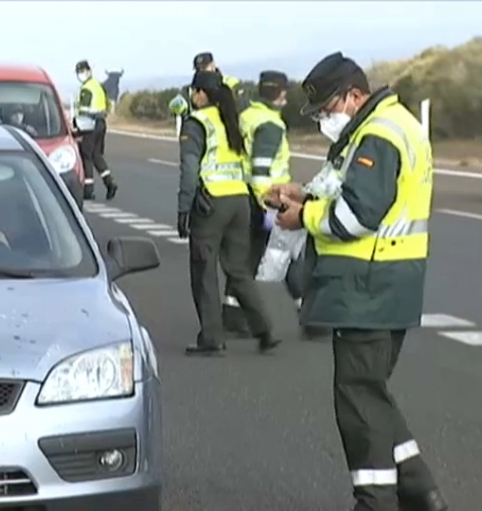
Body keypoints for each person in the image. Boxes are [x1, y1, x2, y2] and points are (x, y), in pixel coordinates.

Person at [271, 52, 446, 511]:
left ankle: (375, 501)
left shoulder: (378, 135)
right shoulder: (390, 126)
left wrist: (301, 216)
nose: (325, 118)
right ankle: (418, 487)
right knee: (371, 391)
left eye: (328, 108)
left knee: (357, 398)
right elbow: (354, 197)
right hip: (389, 282)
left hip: (367, 285)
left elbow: (356, 215)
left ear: (354, 96)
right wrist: (305, 196)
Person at [176, 70, 282, 356]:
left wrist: (184, 208)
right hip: (239, 201)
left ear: (200, 94)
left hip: (212, 202)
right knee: (238, 270)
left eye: (193, 91)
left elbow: (189, 169)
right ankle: (265, 329)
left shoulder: (196, 123)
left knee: (204, 268)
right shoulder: (229, 120)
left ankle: (211, 337)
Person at [222, 71, 301, 336]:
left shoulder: (247, 117)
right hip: (266, 198)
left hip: (244, 194)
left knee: (250, 257)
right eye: (284, 92)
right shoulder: (270, 125)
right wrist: (270, 201)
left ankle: (232, 312)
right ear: (278, 93)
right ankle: (311, 316)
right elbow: (260, 169)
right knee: (288, 252)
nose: (286, 96)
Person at [74, 60, 117, 201]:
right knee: (97, 155)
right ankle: (109, 182)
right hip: (101, 123)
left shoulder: (86, 89)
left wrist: (76, 126)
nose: (80, 75)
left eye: (81, 72)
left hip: (89, 124)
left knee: (86, 155)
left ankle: (88, 190)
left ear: (88, 71)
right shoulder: (98, 86)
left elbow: (84, 110)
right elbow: (107, 106)